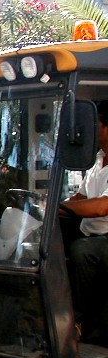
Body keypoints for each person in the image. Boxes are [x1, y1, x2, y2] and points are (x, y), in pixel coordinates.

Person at [60, 100, 108, 342]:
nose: (90, 129)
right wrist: (52, 208)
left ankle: (82, 318)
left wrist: (66, 206)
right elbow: (83, 196)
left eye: (95, 123)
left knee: (82, 250)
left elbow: (101, 207)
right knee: (50, 241)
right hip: (91, 231)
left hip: (104, 238)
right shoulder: (99, 159)